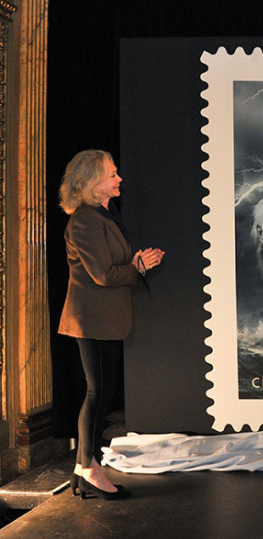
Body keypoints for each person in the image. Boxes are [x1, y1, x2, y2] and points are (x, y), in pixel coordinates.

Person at [58, 150, 164, 499]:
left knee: (100, 391)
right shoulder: (85, 220)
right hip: (92, 319)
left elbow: (111, 264)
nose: (119, 179)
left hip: (104, 318)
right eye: (112, 174)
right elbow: (103, 274)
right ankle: (88, 467)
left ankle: (84, 465)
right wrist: (139, 268)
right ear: (92, 183)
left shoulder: (102, 215)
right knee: (97, 392)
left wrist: (134, 261)